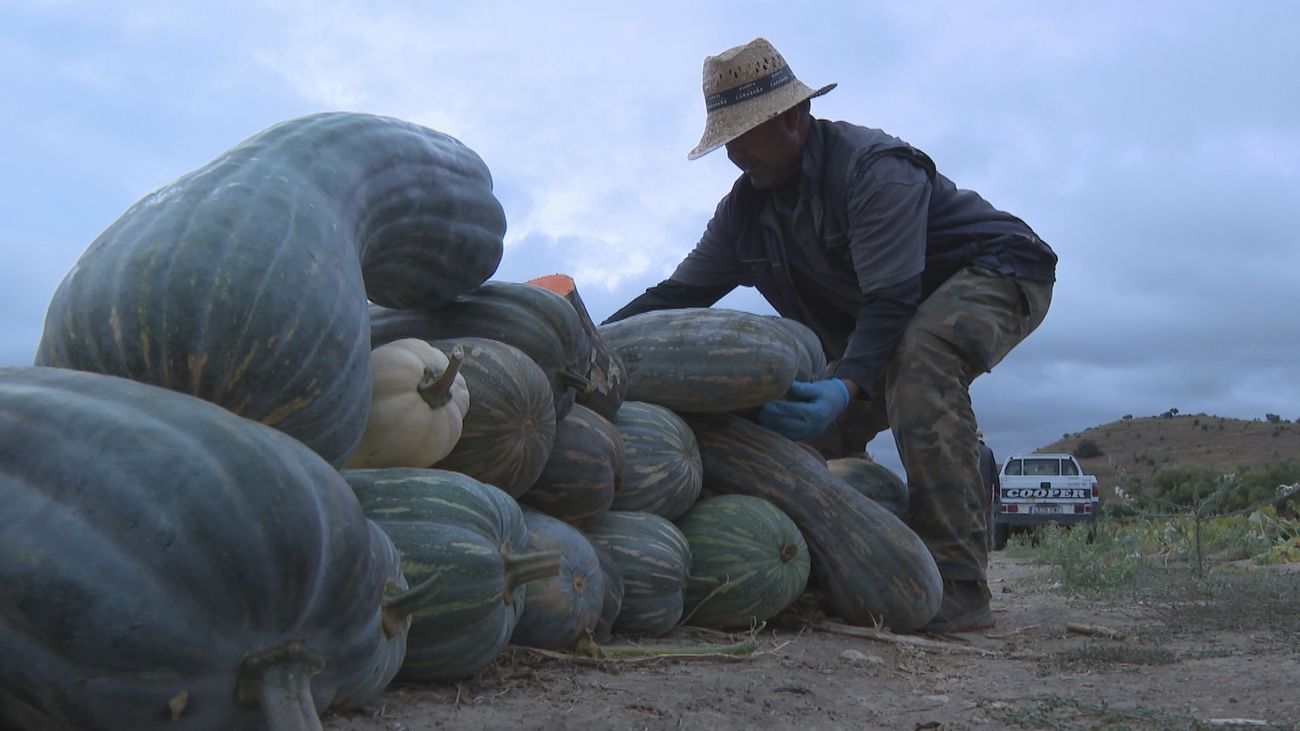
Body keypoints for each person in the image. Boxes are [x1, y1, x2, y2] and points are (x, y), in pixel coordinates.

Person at [603, 37, 1056, 632]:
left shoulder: (874, 170)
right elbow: (676, 297)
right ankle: (852, 572)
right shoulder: (743, 213)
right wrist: (585, 337)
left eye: (743, 133)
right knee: (810, 435)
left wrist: (845, 384)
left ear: (792, 118)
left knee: (921, 368)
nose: (735, 152)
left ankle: (962, 588)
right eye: (725, 138)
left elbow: (893, 299)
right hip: (888, 314)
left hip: (995, 270)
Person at [977, 430, 1001, 551]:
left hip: (972, 487)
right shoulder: (988, 452)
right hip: (986, 488)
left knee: (974, 514)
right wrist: (997, 492)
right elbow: (994, 474)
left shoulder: (969, 451)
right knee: (987, 515)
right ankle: (988, 544)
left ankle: (975, 543)